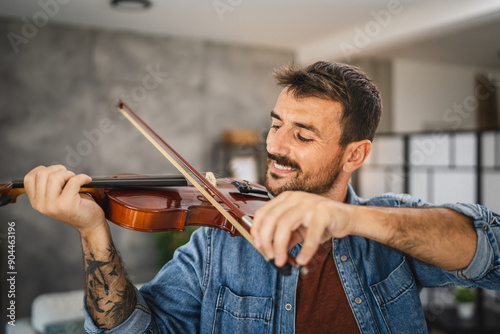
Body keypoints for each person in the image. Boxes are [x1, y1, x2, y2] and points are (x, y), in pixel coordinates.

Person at [23, 61, 500, 333]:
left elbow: (492, 252)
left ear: (354, 154)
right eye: (275, 124)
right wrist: (92, 231)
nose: (275, 146)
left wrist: (352, 219)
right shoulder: (215, 247)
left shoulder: (389, 227)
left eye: (302, 134)